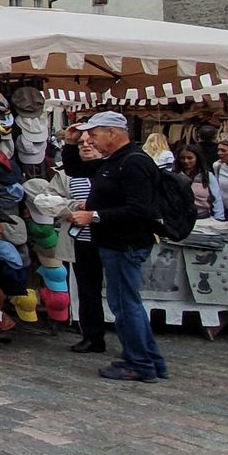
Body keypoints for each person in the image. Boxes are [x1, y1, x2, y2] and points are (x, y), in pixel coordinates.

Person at [62, 111, 168, 384]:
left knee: (125, 305)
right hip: (114, 241)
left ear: (113, 133)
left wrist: (95, 215)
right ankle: (150, 360)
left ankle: (139, 363)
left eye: (95, 134)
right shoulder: (116, 161)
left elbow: (140, 209)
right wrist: (71, 144)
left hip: (125, 242)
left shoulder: (133, 162)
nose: (91, 140)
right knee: (127, 303)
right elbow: (77, 169)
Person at [62, 134, 107, 354]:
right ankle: (92, 335)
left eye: (90, 142)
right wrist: (69, 206)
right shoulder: (71, 174)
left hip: (109, 239)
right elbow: (54, 198)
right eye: (81, 144)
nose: (86, 147)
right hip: (82, 239)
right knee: (88, 290)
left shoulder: (109, 171)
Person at [173, 144, 213, 218]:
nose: (186, 161)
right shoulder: (174, 175)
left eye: (190, 158)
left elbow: (217, 199)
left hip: (203, 218)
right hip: (180, 217)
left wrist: (218, 218)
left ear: (197, 158)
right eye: (182, 158)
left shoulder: (207, 175)